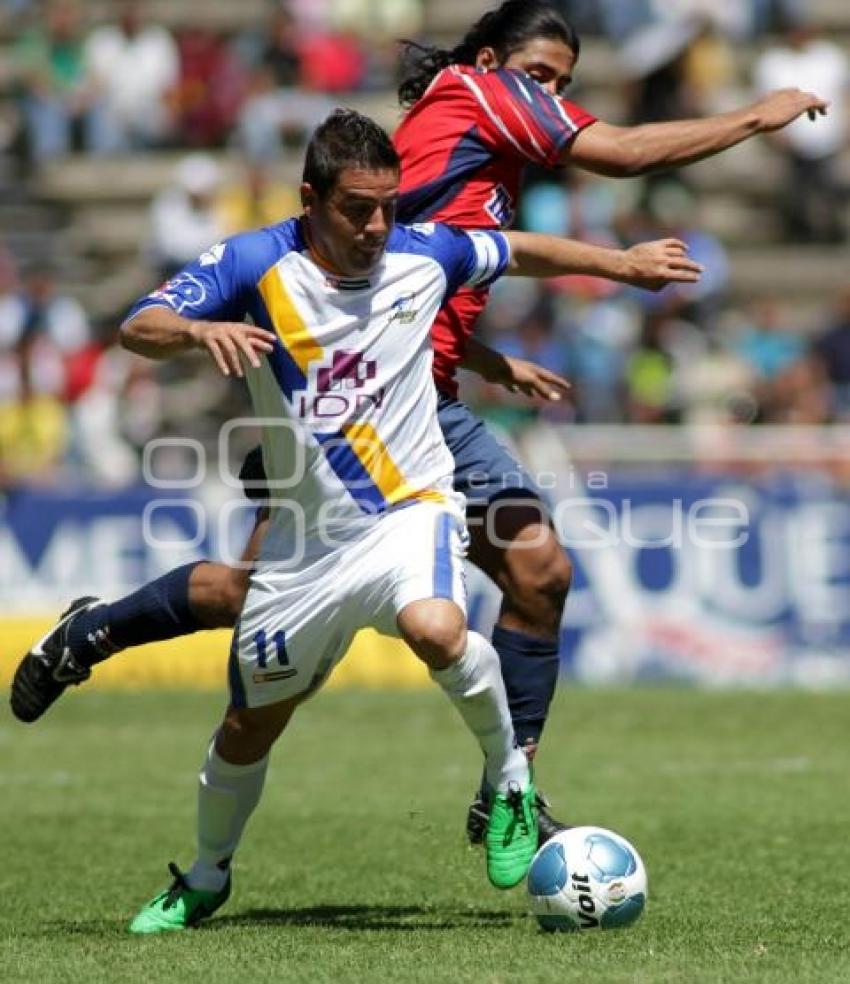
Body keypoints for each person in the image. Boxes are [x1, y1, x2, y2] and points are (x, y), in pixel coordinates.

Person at [10, 0, 825, 844]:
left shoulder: (476, 146)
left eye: (563, 83)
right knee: (260, 597)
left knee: (537, 569)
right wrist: (753, 118)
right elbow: (615, 153)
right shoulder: (480, 92)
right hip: (339, 405)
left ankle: (509, 788)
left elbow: (419, 269)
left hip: (419, 397)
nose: (549, 94)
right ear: (488, 58)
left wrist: (484, 358)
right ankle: (96, 628)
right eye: (539, 74)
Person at [105, 109, 698, 932]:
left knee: (435, 628)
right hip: (306, 547)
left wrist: (622, 265)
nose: (378, 225)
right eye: (357, 208)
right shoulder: (254, 262)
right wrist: (199, 330)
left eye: (389, 205)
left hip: (409, 510)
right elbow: (139, 324)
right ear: (310, 199)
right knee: (247, 727)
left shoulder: (424, 253)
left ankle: (510, 787)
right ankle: (206, 876)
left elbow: (517, 250)